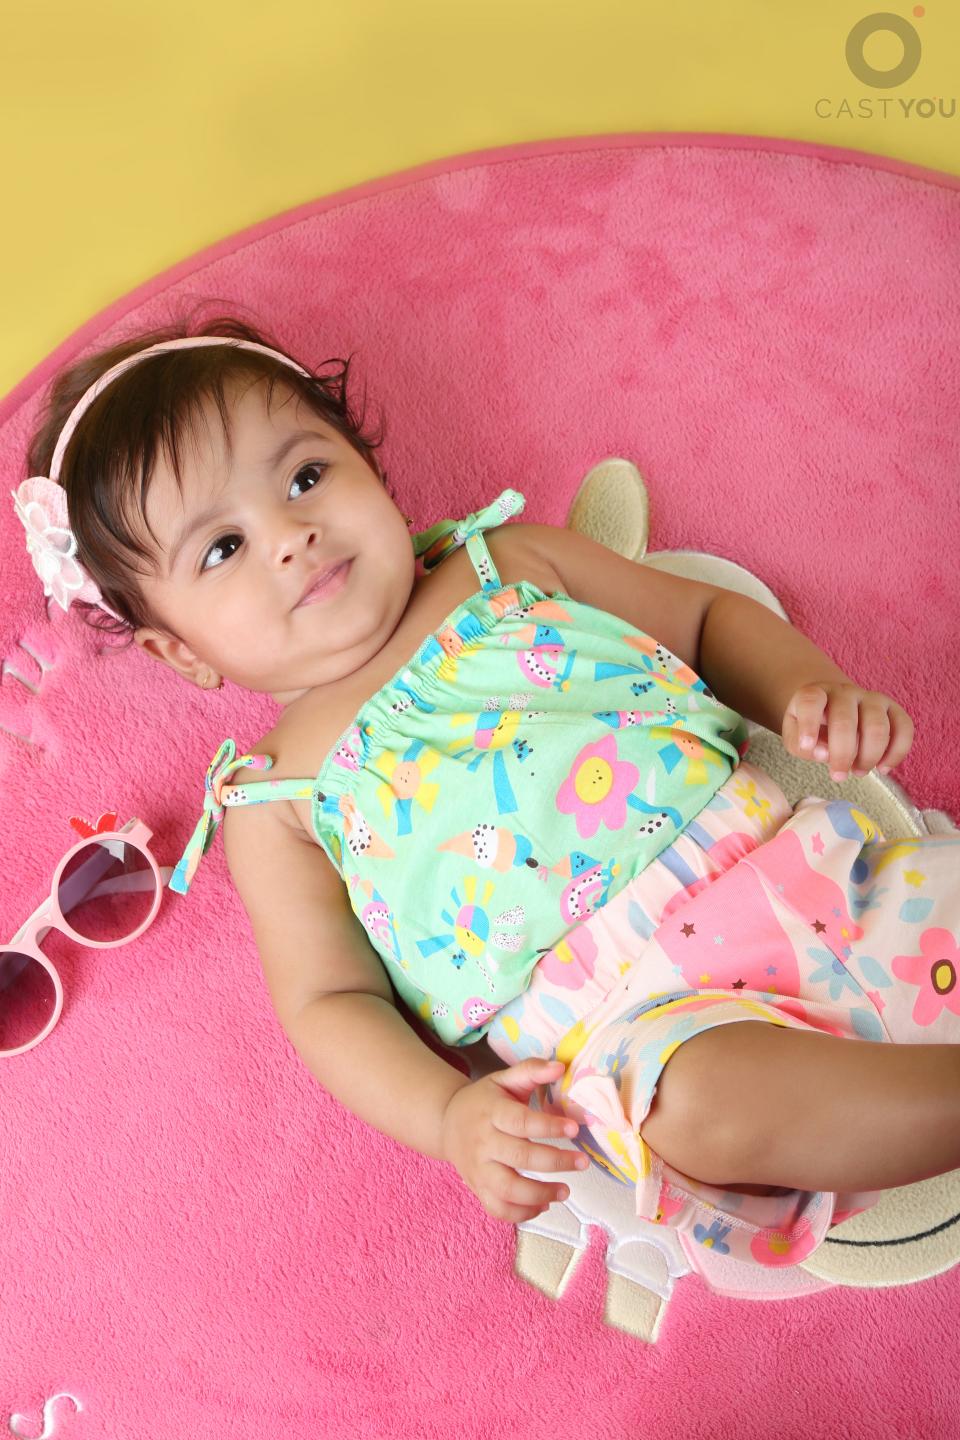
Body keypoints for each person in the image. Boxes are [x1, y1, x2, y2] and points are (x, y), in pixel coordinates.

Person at [15, 314, 960, 1274]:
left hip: (813, 873)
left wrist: (808, 691)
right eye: (222, 548)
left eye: (305, 477)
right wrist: (448, 1116)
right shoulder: (276, 799)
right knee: (702, 1113)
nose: (292, 537)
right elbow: (330, 1001)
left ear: (370, 470)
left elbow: (707, 622)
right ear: (180, 651)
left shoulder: (506, 565)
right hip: (643, 1027)